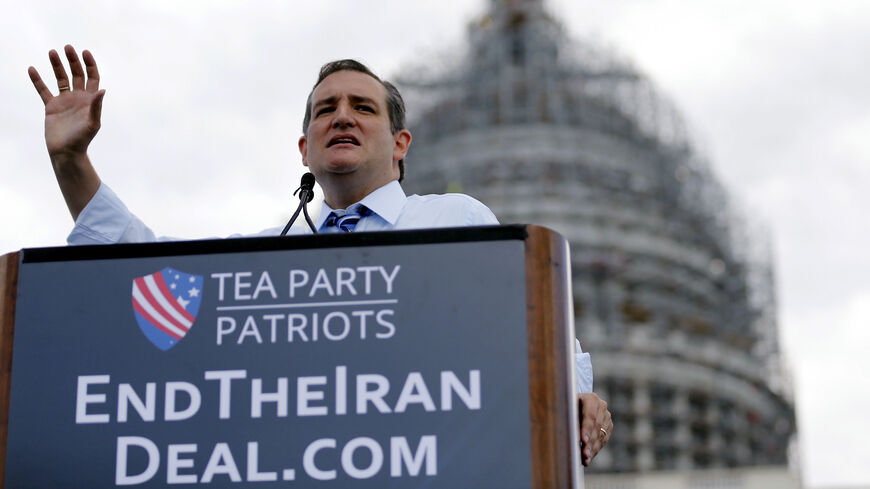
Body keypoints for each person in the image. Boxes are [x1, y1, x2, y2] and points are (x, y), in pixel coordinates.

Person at [28, 45, 613, 465]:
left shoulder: (455, 221)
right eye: (326, 108)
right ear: (305, 148)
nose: (342, 115)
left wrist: (576, 395)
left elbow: (538, 329)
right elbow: (148, 274)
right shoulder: (267, 259)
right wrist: (70, 162)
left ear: (400, 144)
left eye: (363, 106)